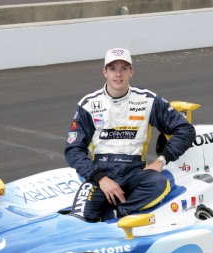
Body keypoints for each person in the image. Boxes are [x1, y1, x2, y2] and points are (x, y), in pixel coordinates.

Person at [66, 48, 195, 221]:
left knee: (159, 183)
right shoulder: (88, 105)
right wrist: (101, 178)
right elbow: (73, 150)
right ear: (105, 72)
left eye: (124, 68)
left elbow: (186, 129)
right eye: (113, 68)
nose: (118, 74)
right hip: (101, 173)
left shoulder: (147, 100)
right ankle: (109, 210)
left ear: (131, 72)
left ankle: (116, 213)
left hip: (135, 172)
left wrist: (161, 161)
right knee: (79, 219)